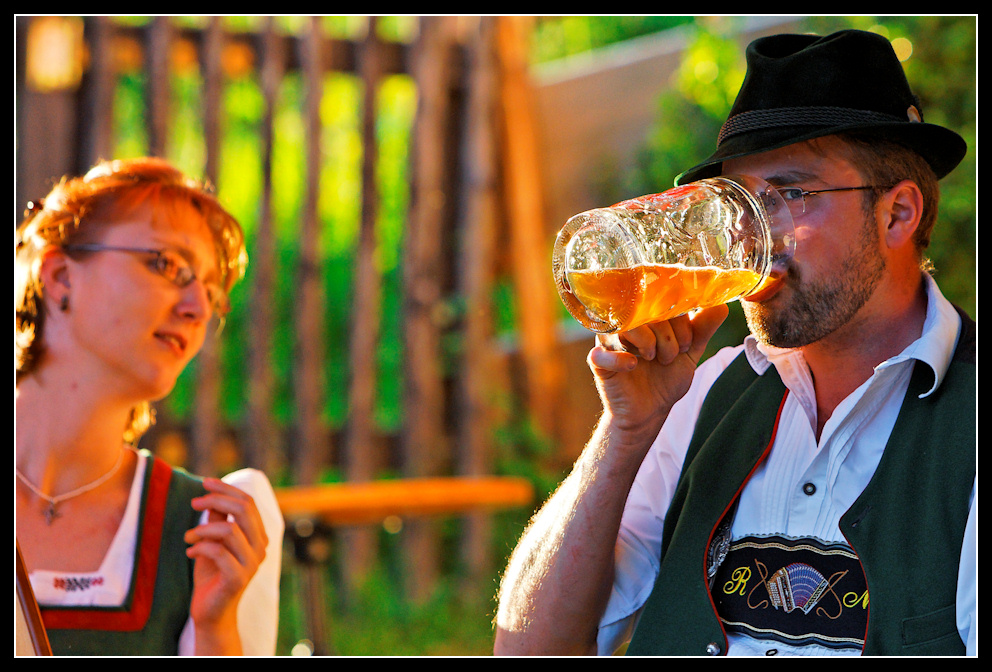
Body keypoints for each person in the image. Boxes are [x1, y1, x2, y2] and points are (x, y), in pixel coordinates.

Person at [494, 29, 975, 657]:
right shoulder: (701, 394)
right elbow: (529, 650)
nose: (755, 239)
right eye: (742, 204)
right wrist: (624, 434)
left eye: (790, 195)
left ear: (897, 214)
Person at [15, 157, 284, 655]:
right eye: (167, 264)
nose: (197, 308)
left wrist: (216, 629)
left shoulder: (207, 529)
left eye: (210, 291)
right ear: (59, 276)